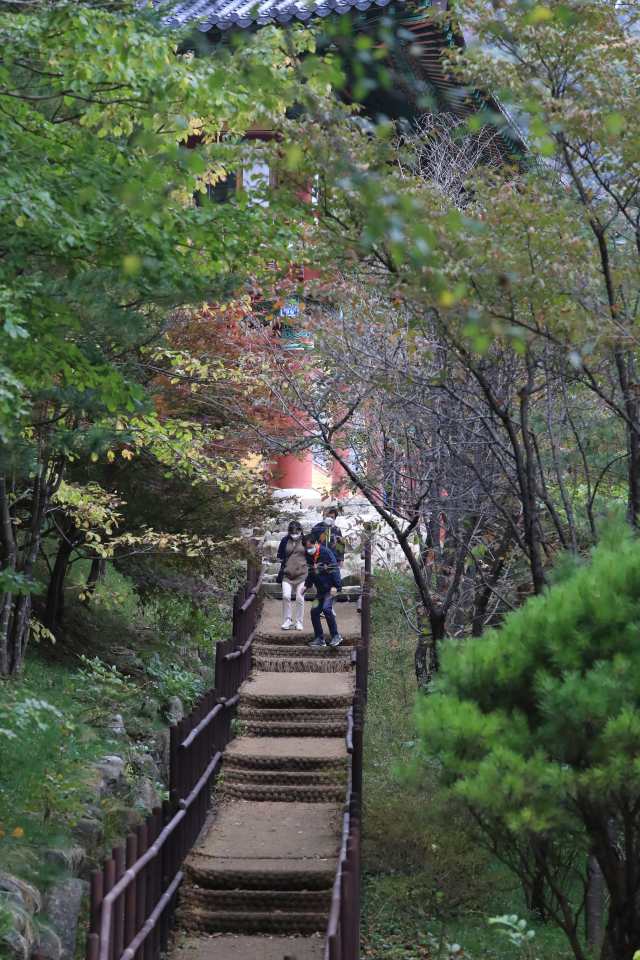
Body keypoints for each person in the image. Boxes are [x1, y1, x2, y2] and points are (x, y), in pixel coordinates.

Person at [300, 531, 343, 647]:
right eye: (307, 548)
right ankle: (319, 638)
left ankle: (335, 635)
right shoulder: (309, 555)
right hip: (321, 590)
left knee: (326, 608)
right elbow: (311, 571)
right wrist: (306, 585)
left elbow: (334, 569)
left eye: (310, 547)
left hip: (332, 588)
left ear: (316, 543)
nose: (309, 550)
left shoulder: (326, 553)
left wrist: (334, 586)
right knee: (314, 611)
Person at [276, 520, 307, 630]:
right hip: (287, 575)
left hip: (302, 575)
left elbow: (310, 554)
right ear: (289, 531)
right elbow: (279, 555)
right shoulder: (284, 540)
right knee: (286, 596)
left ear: (300, 531)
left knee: (300, 598)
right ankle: (287, 619)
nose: (295, 534)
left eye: (297, 531)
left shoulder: (304, 540)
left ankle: (299, 621)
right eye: (293, 532)